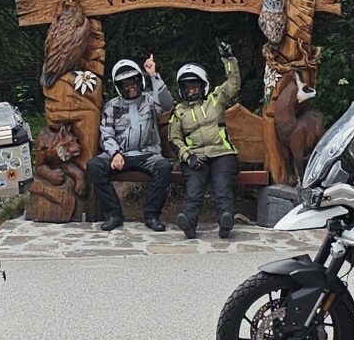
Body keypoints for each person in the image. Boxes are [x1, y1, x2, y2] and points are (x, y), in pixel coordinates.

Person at [87, 55, 175, 232]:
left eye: (133, 82)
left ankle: (151, 215)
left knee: (164, 167)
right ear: (119, 87)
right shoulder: (112, 106)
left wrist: (153, 75)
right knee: (94, 166)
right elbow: (106, 133)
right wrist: (115, 153)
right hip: (120, 156)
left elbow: (167, 104)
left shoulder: (150, 101)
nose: (131, 87)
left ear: (139, 80)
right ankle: (113, 214)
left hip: (146, 154)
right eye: (126, 84)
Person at [168, 43, 242, 240]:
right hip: (196, 156)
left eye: (195, 86)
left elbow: (233, 83)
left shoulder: (216, 99)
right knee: (194, 186)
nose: (191, 91)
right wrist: (188, 156)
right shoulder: (179, 111)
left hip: (222, 153)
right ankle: (188, 221)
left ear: (203, 85)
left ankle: (225, 220)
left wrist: (228, 59)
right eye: (187, 87)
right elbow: (174, 139)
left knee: (222, 184)